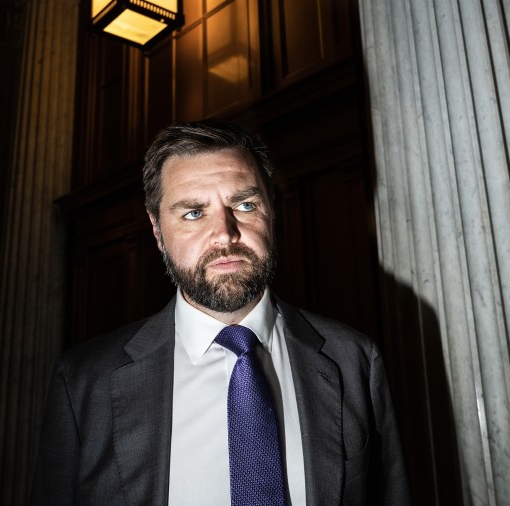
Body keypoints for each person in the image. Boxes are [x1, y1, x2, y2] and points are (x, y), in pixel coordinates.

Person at [31, 120, 410, 505]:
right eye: (194, 213)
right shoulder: (83, 381)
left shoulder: (355, 359)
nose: (225, 234)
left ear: (272, 213)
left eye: (245, 205)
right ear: (158, 231)